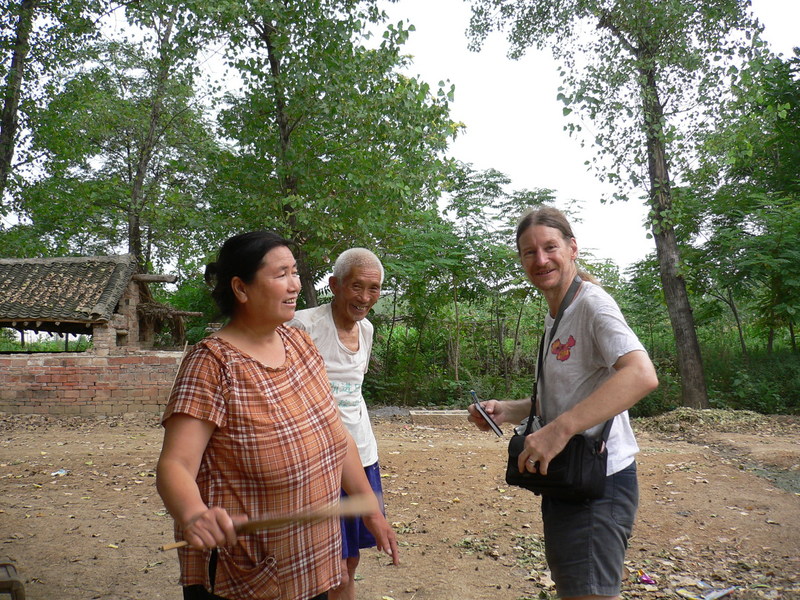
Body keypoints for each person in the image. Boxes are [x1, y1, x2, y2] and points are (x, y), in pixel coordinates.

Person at [156, 231, 398, 600]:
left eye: (296, 272)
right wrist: (193, 514)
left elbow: (337, 434)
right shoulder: (212, 364)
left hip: (312, 559)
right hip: (250, 569)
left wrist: (371, 510)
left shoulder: (299, 344)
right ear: (241, 288)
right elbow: (175, 465)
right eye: (281, 274)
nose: (295, 285)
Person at [468, 206, 658, 600]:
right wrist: (512, 409)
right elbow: (572, 393)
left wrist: (560, 429)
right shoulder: (558, 313)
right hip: (568, 478)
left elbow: (640, 374)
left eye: (549, 247)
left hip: (599, 481)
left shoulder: (593, 305)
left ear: (572, 248)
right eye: (529, 252)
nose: (540, 260)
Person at [286, 248, 385, 600]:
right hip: (317, 460)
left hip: (361, 454)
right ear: (334, 285)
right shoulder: (301, 326)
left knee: (351, 560)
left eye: (373, 289)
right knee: (327, 565)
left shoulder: (368, 330)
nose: (364, 298)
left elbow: (354, 390)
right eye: (357, 286)